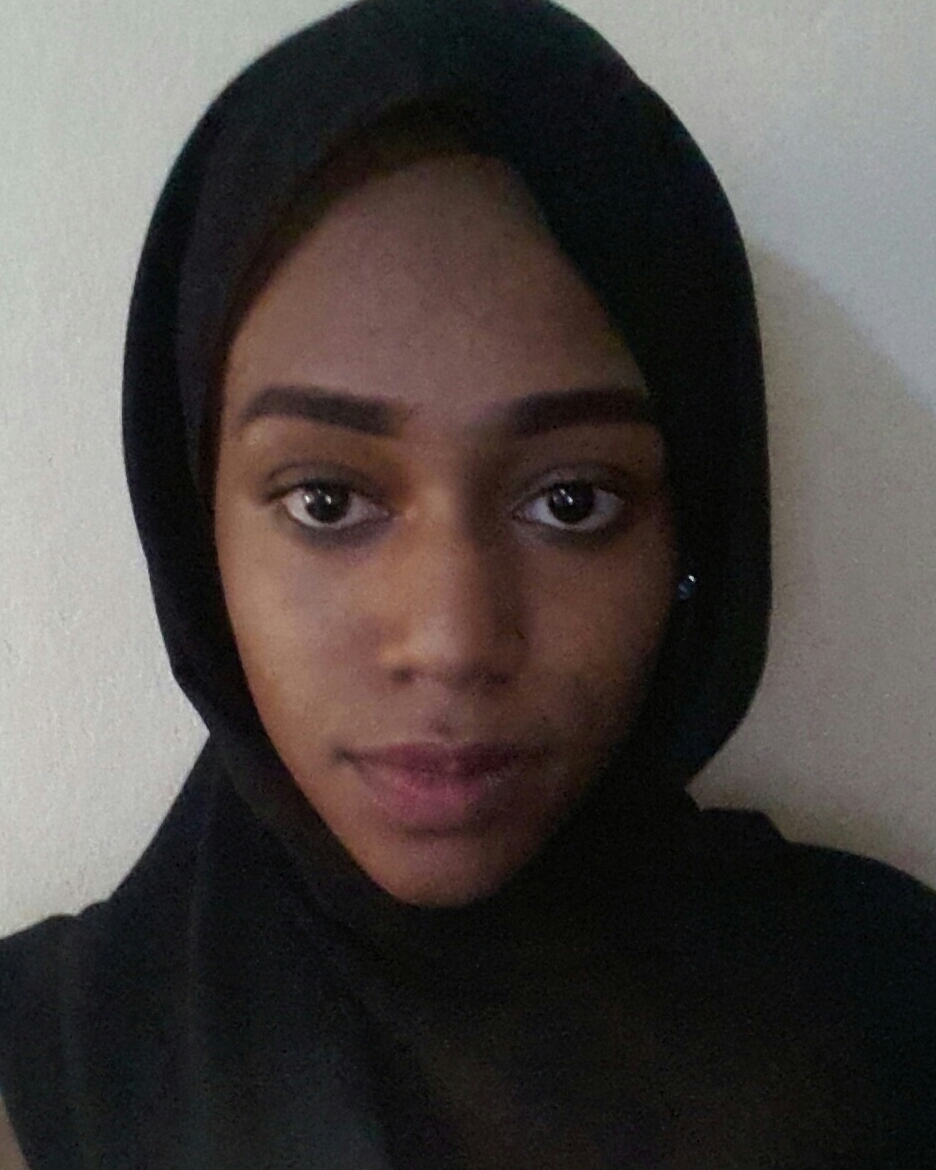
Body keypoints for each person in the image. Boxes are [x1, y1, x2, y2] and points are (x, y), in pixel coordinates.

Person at [1, 0, 934, 1166]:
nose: (451, 639)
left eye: (573, 502)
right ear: (202, 547)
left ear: (695, 535)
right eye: (326, 501)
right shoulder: (34, 1089)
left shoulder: (897, 1019)